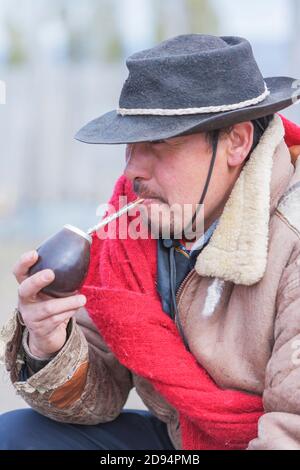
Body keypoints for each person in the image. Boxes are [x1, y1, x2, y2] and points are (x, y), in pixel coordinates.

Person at [1, 34, 300, 450]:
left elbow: (293, 430)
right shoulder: (133, 226)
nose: (133, 170)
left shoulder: (294, 234)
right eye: (131, 143)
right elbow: (98, 398)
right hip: (182, 443)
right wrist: (50, 340)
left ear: (236, 142)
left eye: (161, 143)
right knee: (17, 438)